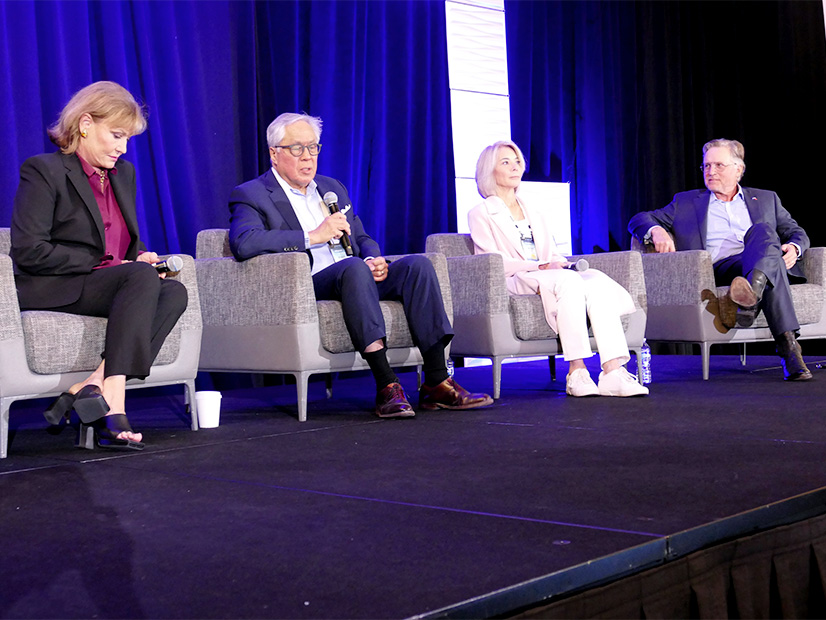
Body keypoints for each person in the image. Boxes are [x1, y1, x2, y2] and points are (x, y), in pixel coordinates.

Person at [229, 112, 492, 418]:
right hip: (309, 282)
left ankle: (437, 383)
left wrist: (372, 258)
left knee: (417, 268)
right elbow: (244, 242)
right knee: (352, 269)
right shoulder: (252, 193)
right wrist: (312, 236)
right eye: (297, 148)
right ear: (275, 154)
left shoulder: (331, 188)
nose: (308, 157)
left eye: (313, 148)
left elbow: (362, 236)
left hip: (355, 276)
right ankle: (386, 385)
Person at [11, 81, 188, 449]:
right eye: (117, 135)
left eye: (128, 139)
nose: (123, 148)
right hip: (56, 285)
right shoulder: (44, 171)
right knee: (140, 277)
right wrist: (108, 263)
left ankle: (88, 385)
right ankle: (115, 404)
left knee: (174, 292)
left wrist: (139, 257)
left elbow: (125, 240)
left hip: (109, 281)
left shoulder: (124, 175)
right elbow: (29, 250)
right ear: (86, 123)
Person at [468, 141, 648, 397]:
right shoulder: (481, 213)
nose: (514, 167)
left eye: (517, 161)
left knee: (595, 280)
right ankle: (577, 371)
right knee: (569, 282)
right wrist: (541, 265)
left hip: (546, 273)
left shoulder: (535, 210)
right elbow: (491, 263)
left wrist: (558, 262)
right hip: (513, 277)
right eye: (505, 162)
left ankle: (613, 370)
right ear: (489, 171)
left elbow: (550, 252)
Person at [628, 138, 811, 381]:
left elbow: (797, 232)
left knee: (763, 232)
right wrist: (656, 231)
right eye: (706, 166)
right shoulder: (686, 202)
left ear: (739, 169)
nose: (710, 171)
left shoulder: (767, 199)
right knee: (769, 259)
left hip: (757, 261)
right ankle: (788, 349)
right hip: (720, 267)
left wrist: (794, 248)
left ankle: (751, 296)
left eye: (718, 165)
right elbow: (638, 219)